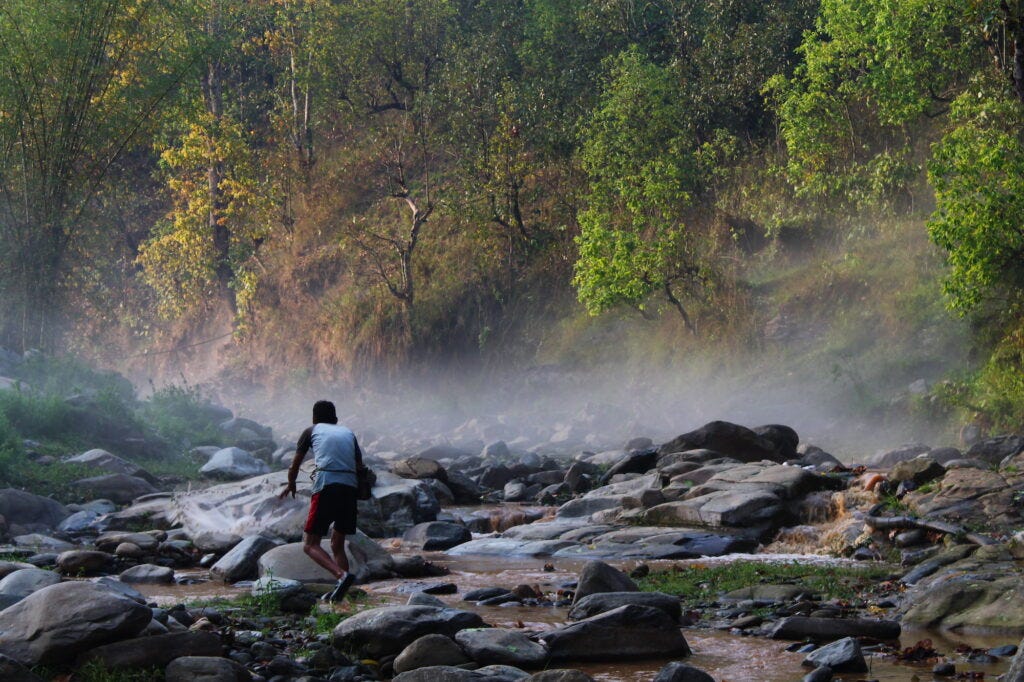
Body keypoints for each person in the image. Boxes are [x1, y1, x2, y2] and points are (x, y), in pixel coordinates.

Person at [279, 399, 362, 602]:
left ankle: (341, 576)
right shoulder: (348, 433)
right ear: (335, 419)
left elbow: (295, 465)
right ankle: (342, 593)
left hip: (326, 485)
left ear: (314, 418)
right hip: (350, 488)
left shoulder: (311, 431)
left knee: (310, 544)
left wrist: (291, 484)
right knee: (337, 543)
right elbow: (359, 466)